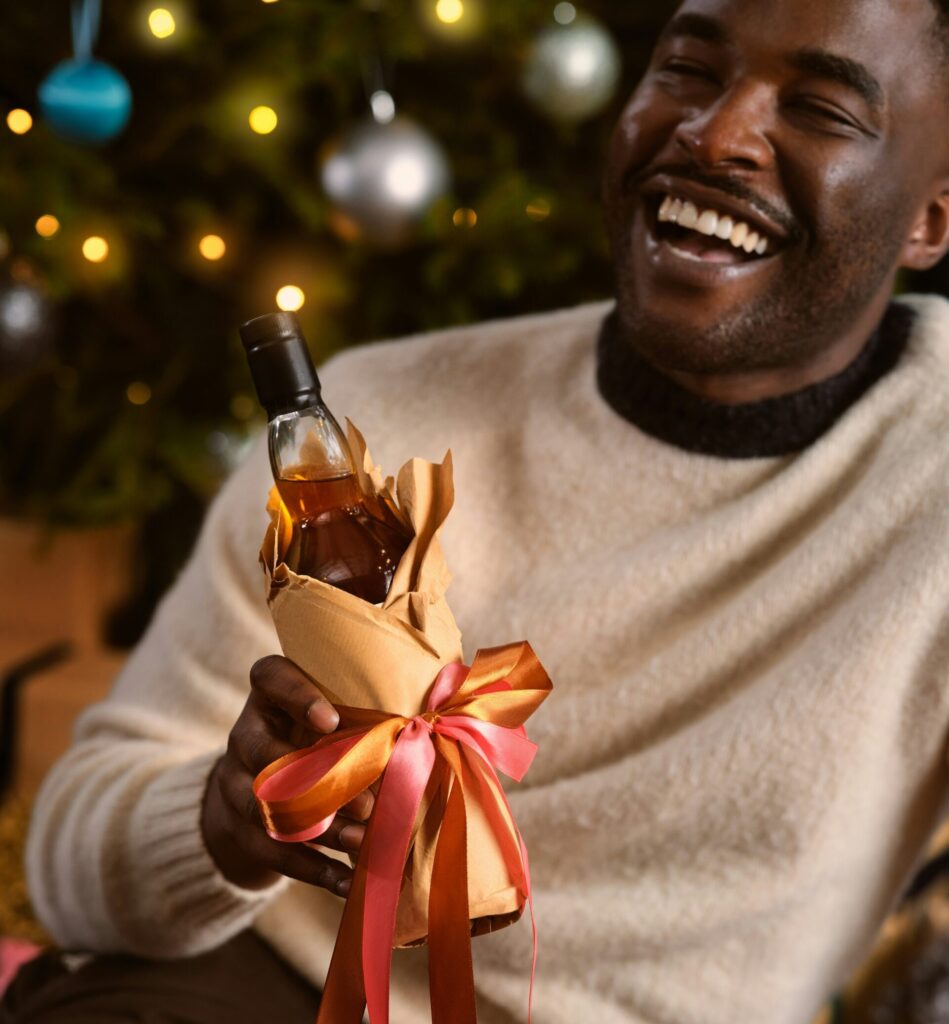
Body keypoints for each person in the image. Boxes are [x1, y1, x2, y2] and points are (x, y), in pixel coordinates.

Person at [7, 0, 949, 1021]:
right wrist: (222, 824)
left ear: (930, 218)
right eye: (686, 69)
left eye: (818, 108)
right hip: (259, 982)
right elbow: (67, 858)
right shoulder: (367, 423)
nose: (713, 134)